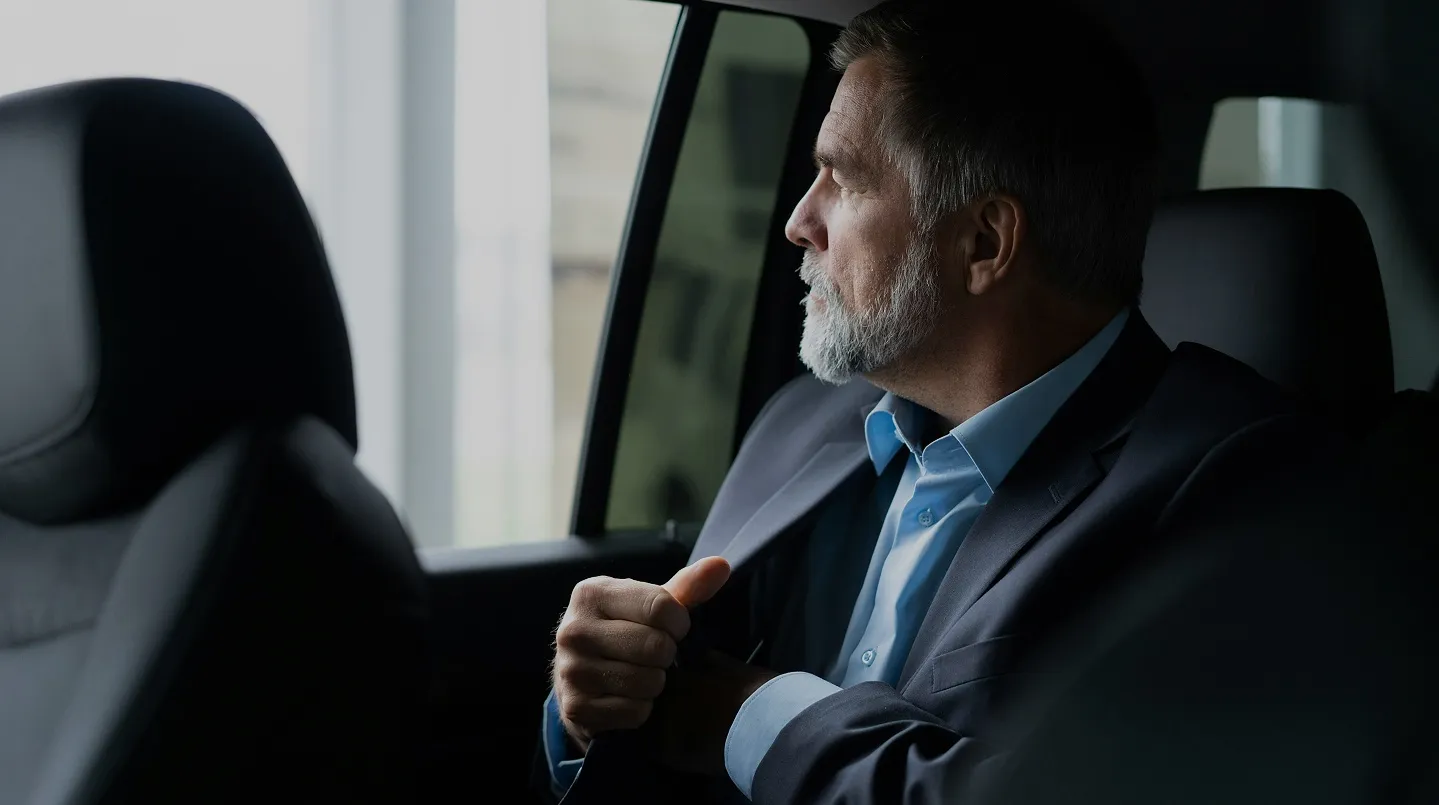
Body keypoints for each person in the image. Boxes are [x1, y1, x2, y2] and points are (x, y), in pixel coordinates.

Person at [535, 0, 1302, 802]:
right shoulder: (796, 426)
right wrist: (590, 717)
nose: (799, 221)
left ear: (983, 243)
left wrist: (754, 719)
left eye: (842, 177)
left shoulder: (1240, 483)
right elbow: (661, 723)